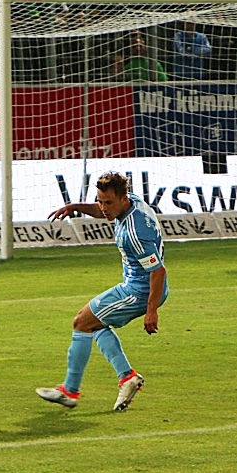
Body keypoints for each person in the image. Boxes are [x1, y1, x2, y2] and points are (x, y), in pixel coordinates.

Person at [39, 172, 167, 411]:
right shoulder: (133, 202)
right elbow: (101, 212)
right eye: (100, 200)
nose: (103, 208)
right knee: (94, 324)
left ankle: (70, 390)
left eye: (108, 202)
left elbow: (158, 271)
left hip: (140, 291)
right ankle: (127, 377)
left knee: (81, 322)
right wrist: (75, 207)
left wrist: (152, 311)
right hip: (136, 285)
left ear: (122, 198)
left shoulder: (135, 232)